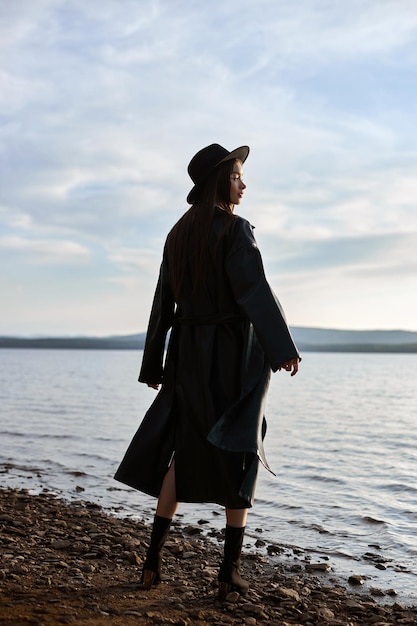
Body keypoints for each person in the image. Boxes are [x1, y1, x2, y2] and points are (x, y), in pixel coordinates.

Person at [114, 143, 300, 599]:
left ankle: (152, 563)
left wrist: (154, 363)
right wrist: (282, 347)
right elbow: (254, 290)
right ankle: (228, 573)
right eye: (236, 175)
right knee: (240, 447)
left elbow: (163, 304)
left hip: (186, 357)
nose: (243, 183)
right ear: (219, 181)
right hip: (231, 354)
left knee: (184, 449)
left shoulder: (178, 235)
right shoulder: (234, 231)